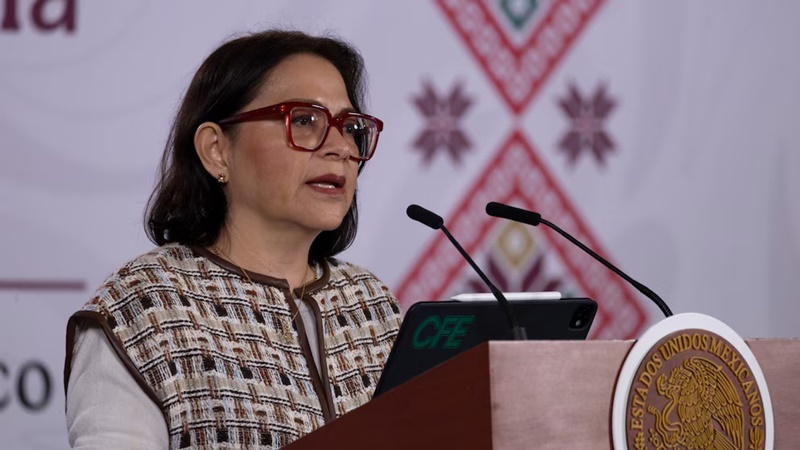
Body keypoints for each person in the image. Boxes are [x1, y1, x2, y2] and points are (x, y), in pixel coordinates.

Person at [63, 30, 403, 449]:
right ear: (216, 150)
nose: (341, 147)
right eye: (303, 120)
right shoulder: (144, 307)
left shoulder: (371, 303)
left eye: (349, 127)